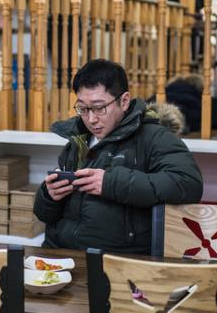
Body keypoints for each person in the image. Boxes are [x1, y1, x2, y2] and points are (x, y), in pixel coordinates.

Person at [33, 59, 203, 254]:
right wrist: (49, 195)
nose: (91, 119)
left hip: (115, 260)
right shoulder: (77, 140)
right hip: (59, 253)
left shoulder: (155, 137)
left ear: (124, 101)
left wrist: (110, 183)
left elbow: (189, 184)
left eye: (99, 108)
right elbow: (44, 215)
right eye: (83, 108)